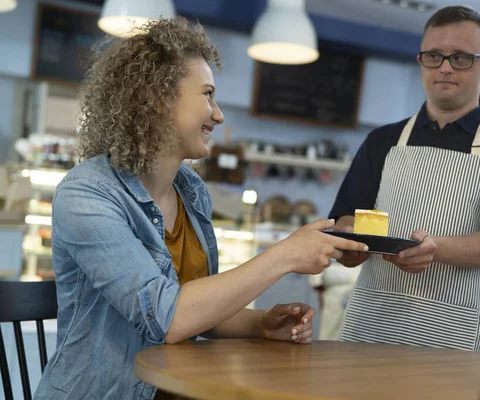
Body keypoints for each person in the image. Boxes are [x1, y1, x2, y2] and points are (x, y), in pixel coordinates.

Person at [34, 18, 368, 400]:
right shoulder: (88, 196)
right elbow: (169, 318)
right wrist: (286, 255)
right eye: (207, 95)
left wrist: (262, 324)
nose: (218, 114)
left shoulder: (191, 190)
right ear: (157, 98)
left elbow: (196, 306)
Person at [329, 5, 480, 353]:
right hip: (373, 322)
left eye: (461, 58)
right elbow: (348, 216)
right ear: (421, 60)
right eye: (434, 56)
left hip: (457, 334)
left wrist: (434, 249)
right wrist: (350, 246)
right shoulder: (382, 141)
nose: (445, 68)